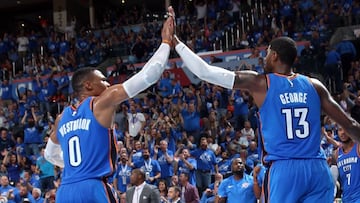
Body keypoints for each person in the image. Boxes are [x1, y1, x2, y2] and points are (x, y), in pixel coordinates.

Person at [173, 35, 360, 202]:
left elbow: (205, 72)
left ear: (275, 56)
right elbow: (350, 124)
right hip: (318, 169)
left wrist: (176, 42)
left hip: (285, 170)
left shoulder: (261, 83)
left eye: (267, 52)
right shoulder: (315, 86)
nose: (265, 56)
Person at [44, 7, 175, 203]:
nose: (108, 84)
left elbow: (50, 155)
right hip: (93, 187)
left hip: (66, 189)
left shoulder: (61, 118)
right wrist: (165, 42)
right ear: (88, 85)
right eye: (104, 80)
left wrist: (75, 166)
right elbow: (149, 75)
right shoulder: (100, 103)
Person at [334, 126, 360, 203]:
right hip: (346, 198)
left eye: (345, 129)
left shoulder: (358, 147)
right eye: (340, 130)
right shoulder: (337, 154)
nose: (343, 132)